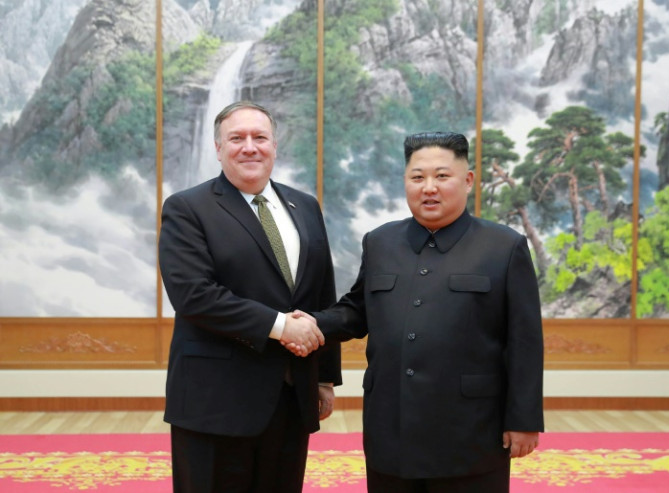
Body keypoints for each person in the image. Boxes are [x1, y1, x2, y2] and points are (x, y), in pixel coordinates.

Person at [296, 131, 544, 492]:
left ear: (468, 180)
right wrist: (308, 324)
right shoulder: (380, 242)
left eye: (442, 176)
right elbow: (357, 310)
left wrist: (523, 419)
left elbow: (524, 340)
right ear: (406, 182)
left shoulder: (504, 247)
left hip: (471, 429)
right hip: (391, 425)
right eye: (418, 177)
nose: (429, 187)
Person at [158, 100, 341, 493]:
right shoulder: (188, 208)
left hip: (291, 395)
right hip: (215, 402)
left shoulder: (305, 207)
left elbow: (322, 292)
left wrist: (324, 378)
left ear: (276, 145)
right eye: (236, 138)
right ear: (218, 148)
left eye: (260, 137)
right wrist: (280, 327)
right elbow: (194, 295)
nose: (249, 147)